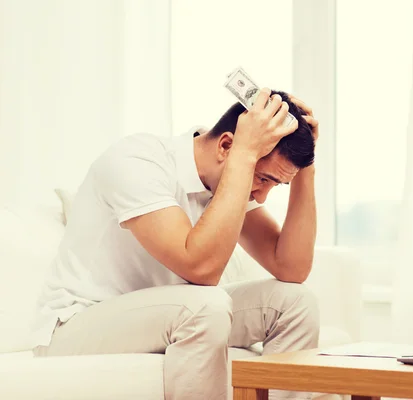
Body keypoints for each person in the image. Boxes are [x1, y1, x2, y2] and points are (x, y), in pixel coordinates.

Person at [31, 88, 320, 400]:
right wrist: (245, 156)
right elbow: (200, 268)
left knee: (295, 301)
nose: (262, 195)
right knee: (205, 306)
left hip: (164, 318)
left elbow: (292, 267)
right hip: (76, 326)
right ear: (226, 145)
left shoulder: (229, 177)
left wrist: (306, 168)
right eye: (263, 179)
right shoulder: (138, 160)